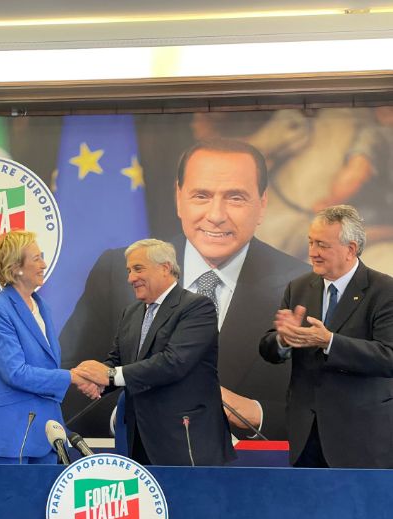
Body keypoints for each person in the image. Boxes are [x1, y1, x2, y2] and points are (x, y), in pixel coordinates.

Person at [61, 138, 309, 440]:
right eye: (201, 196)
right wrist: (128, 416)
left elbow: (327, 404)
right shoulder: (117, 271)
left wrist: (253, 413)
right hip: (138, 461)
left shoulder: (302, 285)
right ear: (179, 199)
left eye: (235, 198)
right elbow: (67, 377)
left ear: (262, 204)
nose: (216, 215)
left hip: (250, 465)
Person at [75, 239, 235, 466]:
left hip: (184, 439)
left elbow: (173, 362)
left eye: (138, 269)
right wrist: (95, 379)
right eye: (129, 271)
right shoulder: (131, 313)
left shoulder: (197, 307)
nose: (131, 278)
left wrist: (109, 376)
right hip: (138, 438)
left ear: (165, 268)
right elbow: (119, 361)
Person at [260, 205, 393, 468]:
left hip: (360, 436)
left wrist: (330, 341)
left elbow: (388, 357)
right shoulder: (298, 287)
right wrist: (283, 340)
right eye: (311, 242)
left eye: (322, 245)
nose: (312, 252)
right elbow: (269, 348)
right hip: (306, 435)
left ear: (350, 249)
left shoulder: (384, 290)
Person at [0, 230, 99, 464]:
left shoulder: (43, 308)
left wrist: (80, 377)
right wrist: (72, 377)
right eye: (36, 258)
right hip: (8, 434)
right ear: (16, 268)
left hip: (46, 431)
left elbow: (47, 367)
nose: (43, 264)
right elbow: (15, 372)